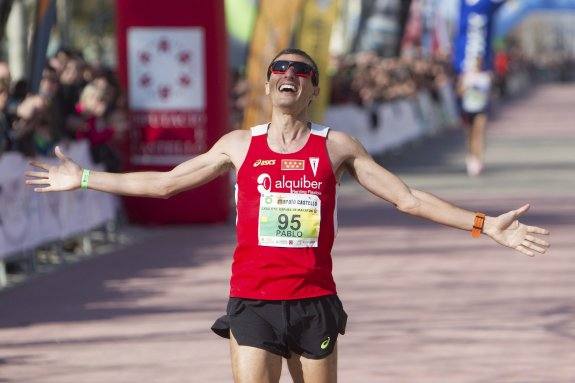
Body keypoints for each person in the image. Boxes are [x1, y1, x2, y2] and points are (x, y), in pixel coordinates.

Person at [25, 48, 550, 383]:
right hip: (252, 300)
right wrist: (87, 178)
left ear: (313, 89)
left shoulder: (336, 146)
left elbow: (407, 198)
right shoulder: (238, 144)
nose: (288, 76)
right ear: (269, 85)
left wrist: (485, 226)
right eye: (279, 69)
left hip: (313, 302)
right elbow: (164, 184)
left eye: (301, 71)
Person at [458, 56, 492, 177]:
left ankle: (479, 159)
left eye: (479, 62)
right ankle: (472, 157)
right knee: (470, 135)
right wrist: (466, 87)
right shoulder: (466, 76)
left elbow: (489, 93)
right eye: (476, 63)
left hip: (481, 108)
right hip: (468, 108)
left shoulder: (485, 77)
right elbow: (459, 92)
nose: (478, 65)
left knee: (480, 133)